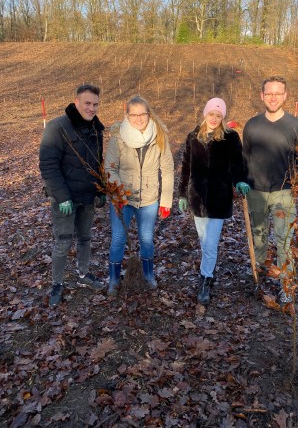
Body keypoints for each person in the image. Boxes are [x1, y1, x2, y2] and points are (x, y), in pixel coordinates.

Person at [242, 76, 298, 304]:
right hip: (256, 192)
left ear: (285, 95)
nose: (273, 97)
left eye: (278, 93)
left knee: (284, 241)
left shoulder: (296, 125)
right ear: (262, 96)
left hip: (285, 192)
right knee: (259, 238)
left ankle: (286, 286)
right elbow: (245, 158)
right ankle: (259, 277)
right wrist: (242, 183)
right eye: (269, 93)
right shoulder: (252, 125)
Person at [39, 84, 106, 307]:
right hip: (65, 199)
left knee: (85, 238)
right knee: (63, 241)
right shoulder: (58, 127)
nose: (91, 108)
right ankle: (57, 283)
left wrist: (101, 189)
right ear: (76, 102)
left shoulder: (97, 129)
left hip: (87, 197)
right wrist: (61, 196)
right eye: (87, 103)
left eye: (95, 104)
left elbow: (98, 162)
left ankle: (83, 274)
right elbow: (48, 164)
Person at [178, 97, 249, 305]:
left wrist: (240, 182)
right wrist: (182, 193)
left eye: (219, 116)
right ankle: (208, 270)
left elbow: (237, 164)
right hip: (197, 197)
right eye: (212, 114)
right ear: (205, 114)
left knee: (210, 244)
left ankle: (205, 280)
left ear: (223, 118)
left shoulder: (230, 137)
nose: (215, 119)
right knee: (204, 242)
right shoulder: (193, 136)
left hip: (219, 197)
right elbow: (185, 167)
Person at [104, 95, 174, 294]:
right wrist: (120, 193)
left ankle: (148, 274)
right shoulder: (118, 137)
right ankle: (114, 279)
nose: (138, 118)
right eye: (133, 115)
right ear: (127, 115)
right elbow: (110, 168)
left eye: (142, 114)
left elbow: (167, 168)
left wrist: (166, 200)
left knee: (146, 238)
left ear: (148, 113)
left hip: (149, 200)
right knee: (118, 238)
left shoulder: (159, 135)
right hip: (122, 200)